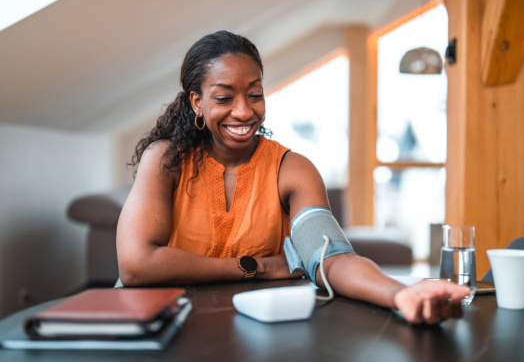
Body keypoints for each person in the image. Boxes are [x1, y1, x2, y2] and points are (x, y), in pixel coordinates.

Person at [116, 31, 469, 325]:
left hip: (250, 328)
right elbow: (136, 266)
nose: (244, 110)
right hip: (160, 328)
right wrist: (255, 268)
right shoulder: (166, 160)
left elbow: (332, 258)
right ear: (197, 101)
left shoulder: (291, 169)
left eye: (255, 94)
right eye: (224, 97)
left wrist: (400, 294)